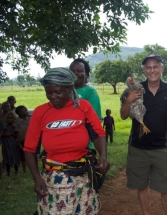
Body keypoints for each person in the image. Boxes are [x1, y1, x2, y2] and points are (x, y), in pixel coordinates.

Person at [23, 67, 109, 214]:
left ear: (69, 88)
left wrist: (102, 156)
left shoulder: (83, 107)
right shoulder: (41, 112)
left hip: (83, 176)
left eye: (57, 92)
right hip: (55, 178)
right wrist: (36, 178)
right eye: (48, 92)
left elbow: (98, 134)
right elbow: (30, 148)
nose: (53, 96)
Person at [120, 54, 167, 215]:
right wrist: (129, 100)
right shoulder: (137, 89)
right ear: (144, 70)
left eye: (155, 66)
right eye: (148, 67)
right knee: (142, 186)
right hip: (138, 147)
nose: (152, 70)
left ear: (161, 69)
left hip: (160, 147)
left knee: (166, 188)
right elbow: (123, 116)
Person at [70, 58, 102, 149]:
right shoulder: (64, 91)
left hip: (83, 141)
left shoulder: (91, 91)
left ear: (87, 74)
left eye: (80, 71)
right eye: (73, 71)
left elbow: (94, 119)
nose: (76, 74)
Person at [14, 105, 30, 174]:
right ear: (20, 113)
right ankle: (24, 170)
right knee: (23, 157)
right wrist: (19, 142)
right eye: (25, 110)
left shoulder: (29, 119)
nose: (27, 111)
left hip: (29, 140)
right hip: (22, 140)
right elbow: (17, 132)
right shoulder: (17, 121)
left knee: (31, 154)